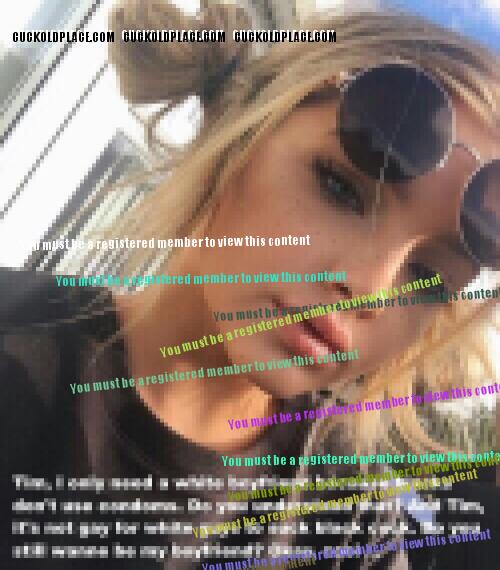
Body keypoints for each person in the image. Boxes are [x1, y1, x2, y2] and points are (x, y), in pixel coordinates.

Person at [2, 1, 499, 568]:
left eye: (427, 277)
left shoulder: (351, 525)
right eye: (341, 188)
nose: (369, 287)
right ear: (242, 134)